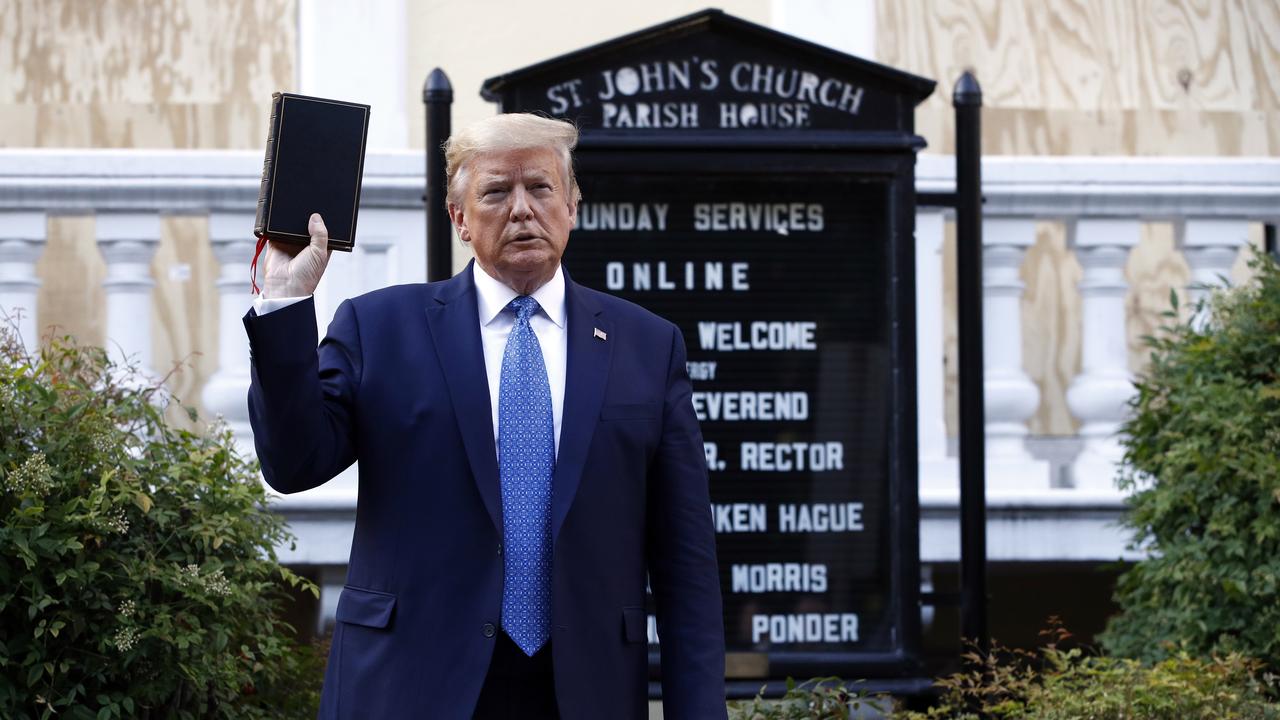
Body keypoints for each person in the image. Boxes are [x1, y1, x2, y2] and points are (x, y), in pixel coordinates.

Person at [244, 113, 726, 719]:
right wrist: (287, 303)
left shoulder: (647, 347)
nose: (521, 209)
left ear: (572, 205)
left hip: (584, 690)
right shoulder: (380, 328)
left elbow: (687, 567)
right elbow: (292, 463)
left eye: (541, 188)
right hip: (410, 687)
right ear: (460, 219)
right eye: (497, 192)